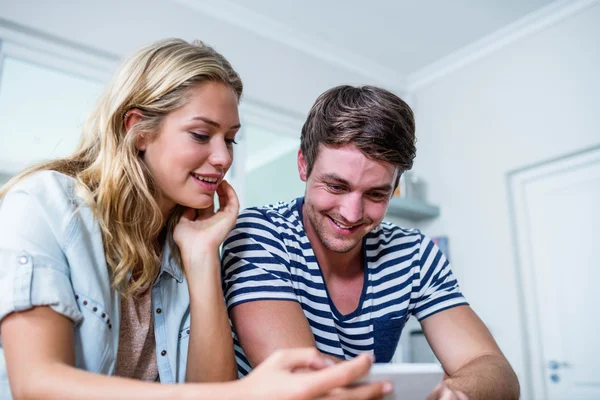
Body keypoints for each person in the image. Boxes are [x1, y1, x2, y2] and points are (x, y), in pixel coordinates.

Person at [0, 39, 390, 400]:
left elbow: (209, 389)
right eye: (202, 135)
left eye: (230, 138)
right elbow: (36, 383)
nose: (223, 158)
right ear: (137, 130)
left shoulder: (185, 243)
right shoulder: (43, 202)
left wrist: (202, 255)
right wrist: (244, 394)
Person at [222, 85, 521, 399]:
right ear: (303, 164)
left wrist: (455, 395)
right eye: (336, 186)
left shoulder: (415, 254)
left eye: (376, 194)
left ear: (394, 189)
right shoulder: (259, 233)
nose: (351, 214)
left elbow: (491, 368)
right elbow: (305, 386)